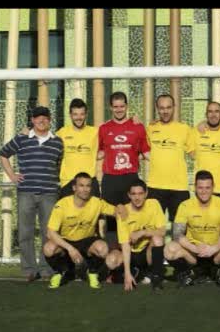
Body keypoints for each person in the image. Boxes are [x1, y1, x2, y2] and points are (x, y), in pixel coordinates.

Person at [0, 106, 63, 282]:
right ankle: (28, 270)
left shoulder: (58, 142)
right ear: (33, 120)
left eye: (45, 118)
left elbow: (57, 166)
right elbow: (3, 154)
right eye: (38, 118)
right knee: (25, 233)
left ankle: (45, 269)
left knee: (48, 234)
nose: (41, 120)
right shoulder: (22, 138)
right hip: (26, 192)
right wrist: (12, 175)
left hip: (49, 193)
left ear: (50, 120)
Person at [43, 172, 125, 289]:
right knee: (48, 249)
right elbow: (50, 232)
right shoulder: (62, 205)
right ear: (74, 188)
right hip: (67, 242)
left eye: (88, 186)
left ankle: (92, 271)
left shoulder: (97, 202)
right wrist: (70, 249)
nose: (85, 189)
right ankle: (61, 271)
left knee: (103, 248)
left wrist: (121, 207)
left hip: (87, 241)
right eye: (81, 185)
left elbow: (116, 211)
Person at [164, 170, 220, 288]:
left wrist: (212, 249)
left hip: (216, 251)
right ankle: (191, 271)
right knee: (169, 250)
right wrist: (194, 248)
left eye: (207, 187)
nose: (204, 191)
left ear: (213, 188)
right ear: (195, 187)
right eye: (200, 188)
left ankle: (216, 271)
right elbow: (177, 234)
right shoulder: (185, 205)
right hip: (193, 252)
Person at [98, 91, 150, 245]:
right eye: (116, 107)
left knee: (132, 217)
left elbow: (146, 152)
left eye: (122, 106)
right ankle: (114, 258)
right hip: (110, 180)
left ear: (127, 106)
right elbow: (99, 152)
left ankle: (134, 258)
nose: (119, 109)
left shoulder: (138, 127)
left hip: (130, 178)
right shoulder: (104, 128)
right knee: (112, 220)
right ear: (110, 108)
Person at [104, 179, 166, 291]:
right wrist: (127, 274)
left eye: (140, 193)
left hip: (146, 253)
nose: (137, 198)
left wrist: (143, 232)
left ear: (146, 193)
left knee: (157, 239)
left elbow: (162, 231)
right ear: (129, 195)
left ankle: (156, 278)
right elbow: (125, 244)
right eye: (133, 194)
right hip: (130, 253)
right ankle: (131, 272)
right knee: (111, 261)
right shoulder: (123, 212)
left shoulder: (154, 204)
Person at [146, 94, 193, 229]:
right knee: (153, 230)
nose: (165, 111)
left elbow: (196, 153)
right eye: (161, 108)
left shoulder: (184, 129)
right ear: (157, 109)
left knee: (179, 231)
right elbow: (142, 151)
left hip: (179, 187)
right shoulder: (150, 129)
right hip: (155, 186)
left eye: (168, 107)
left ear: (174, 108)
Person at [189, 101, 220, 205]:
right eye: (210, 112)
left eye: (216, 111)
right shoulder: (195, 132)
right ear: (206, 115)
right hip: (202, 188)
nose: (213, 115)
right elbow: (191, 154)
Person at [55, 98, 101, 199]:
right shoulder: (61, 133)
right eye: (75, 114)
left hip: (90, 183)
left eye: (81, 114)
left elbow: (115, 132)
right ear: (70, 115)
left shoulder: (95, 132)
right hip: (68, 183)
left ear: (86, 114)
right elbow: (44, 139)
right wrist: (28, 132)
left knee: (93, 214)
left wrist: (132, 121)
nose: (79, 117)